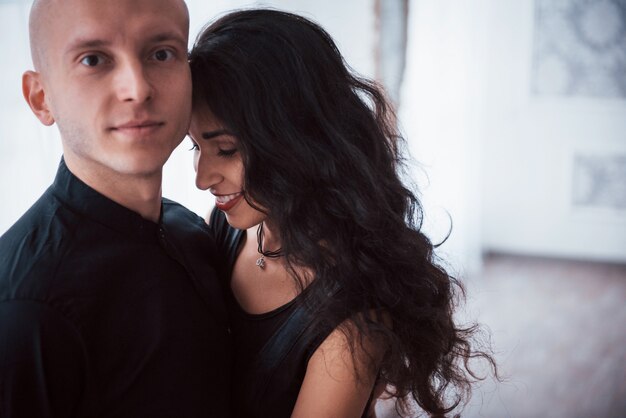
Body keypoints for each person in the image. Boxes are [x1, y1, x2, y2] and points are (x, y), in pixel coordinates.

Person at [188, 9, 496, 418]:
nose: (202, 178)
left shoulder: (354, 326)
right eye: (195, 147)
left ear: (294, 139)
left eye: (226, 150)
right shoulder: (226, 229)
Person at [0, 0, 230, 417]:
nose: (137, 88)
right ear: (40, 98)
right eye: (93, 59)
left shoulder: (194, 231)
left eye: (161, 53)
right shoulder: (23, 312)